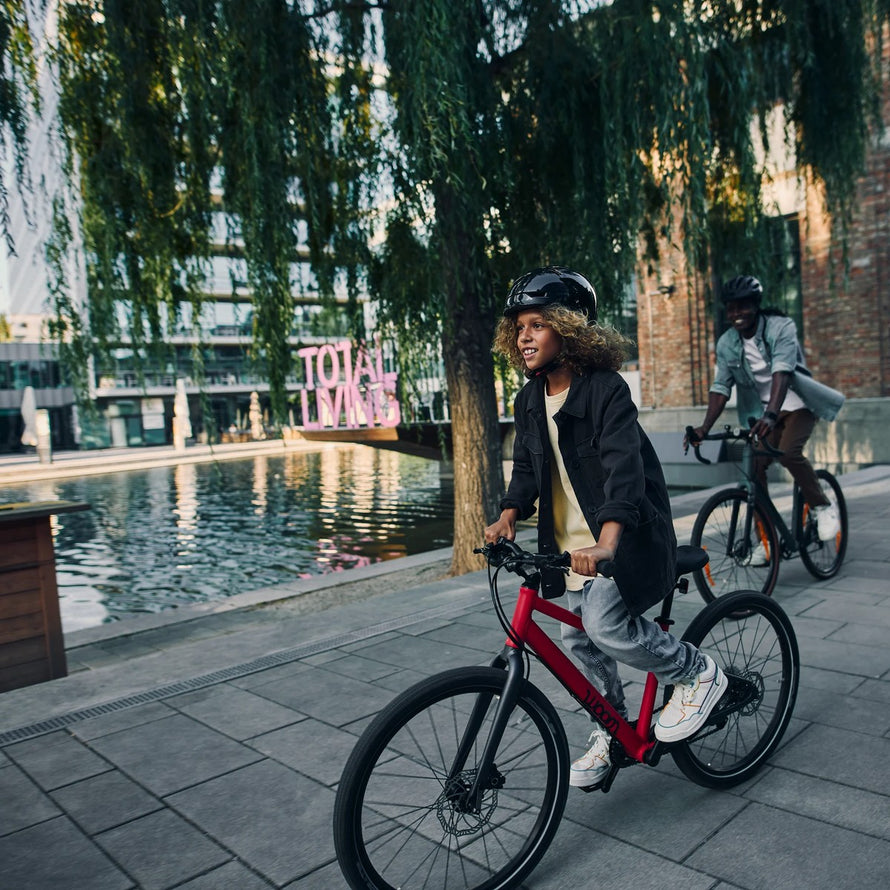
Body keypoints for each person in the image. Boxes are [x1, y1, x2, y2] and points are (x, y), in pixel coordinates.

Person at [485, 266, 727, 788]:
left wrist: (609, 541)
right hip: (570, 551)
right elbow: (528, 466)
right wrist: (509, 513)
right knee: (578, 642)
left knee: (605, 625)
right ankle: (612, 728)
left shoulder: (605, 391)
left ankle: (694, 672)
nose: (524, 337)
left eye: (538, 325)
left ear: (570, 329)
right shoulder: (530, 400)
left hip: (627, 539)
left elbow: (624, 470)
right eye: (519, 327)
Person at [686, 275, 843, 544]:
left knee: (789, 454)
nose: (737, 313)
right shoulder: (727, 343)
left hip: (797, 406)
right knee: (755, 470)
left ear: (756, 306)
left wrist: (771, 415)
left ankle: (822, 506)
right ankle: (766, 539)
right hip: (762, 413)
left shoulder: (781, 327)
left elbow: (782, 371)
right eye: (731, 308)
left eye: (743, 306)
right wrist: (704, 427)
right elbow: (721, 387)